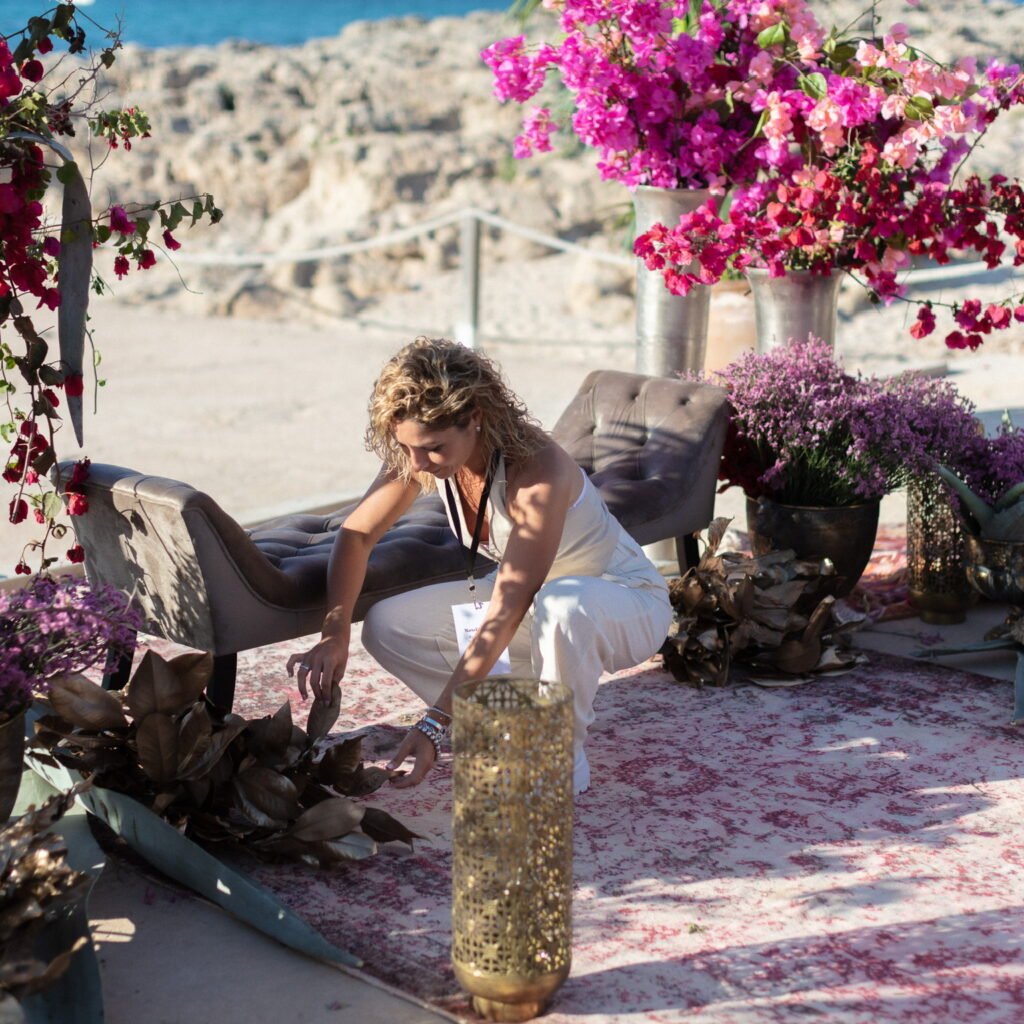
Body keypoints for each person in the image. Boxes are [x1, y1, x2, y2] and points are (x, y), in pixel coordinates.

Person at [287, 338, 672, 794]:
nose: (416, 463)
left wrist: (435, 721)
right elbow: (357, 534)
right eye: (406, 447)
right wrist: (335, 635)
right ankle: (513, 721)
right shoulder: (422, 453)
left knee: (565, 605)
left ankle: (558, 754)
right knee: (387, 625)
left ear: (475, 417)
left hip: (618, 597)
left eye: (432, 448)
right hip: (531, 599)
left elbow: (508, 608)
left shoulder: (537, 471)